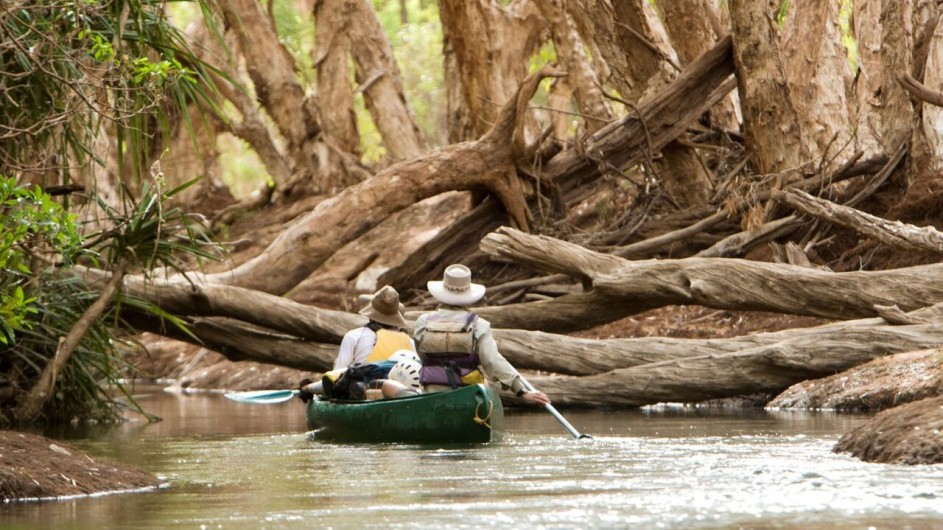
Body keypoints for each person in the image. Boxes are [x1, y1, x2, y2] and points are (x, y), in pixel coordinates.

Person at [381, 264, 550, 406]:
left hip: (430, 397)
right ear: (468, 297)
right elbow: (492, 360)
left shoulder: (423, 322)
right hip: (468, 398)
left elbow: (422, 355)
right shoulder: (479, 325)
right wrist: (521, 391)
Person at [299, 285, 416, 400]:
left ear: (371, 314)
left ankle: (306, 388)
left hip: (365, 394)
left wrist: (306, 388)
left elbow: (336, 377)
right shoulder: (409, 341)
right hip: (404, 393)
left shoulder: (355, 336)